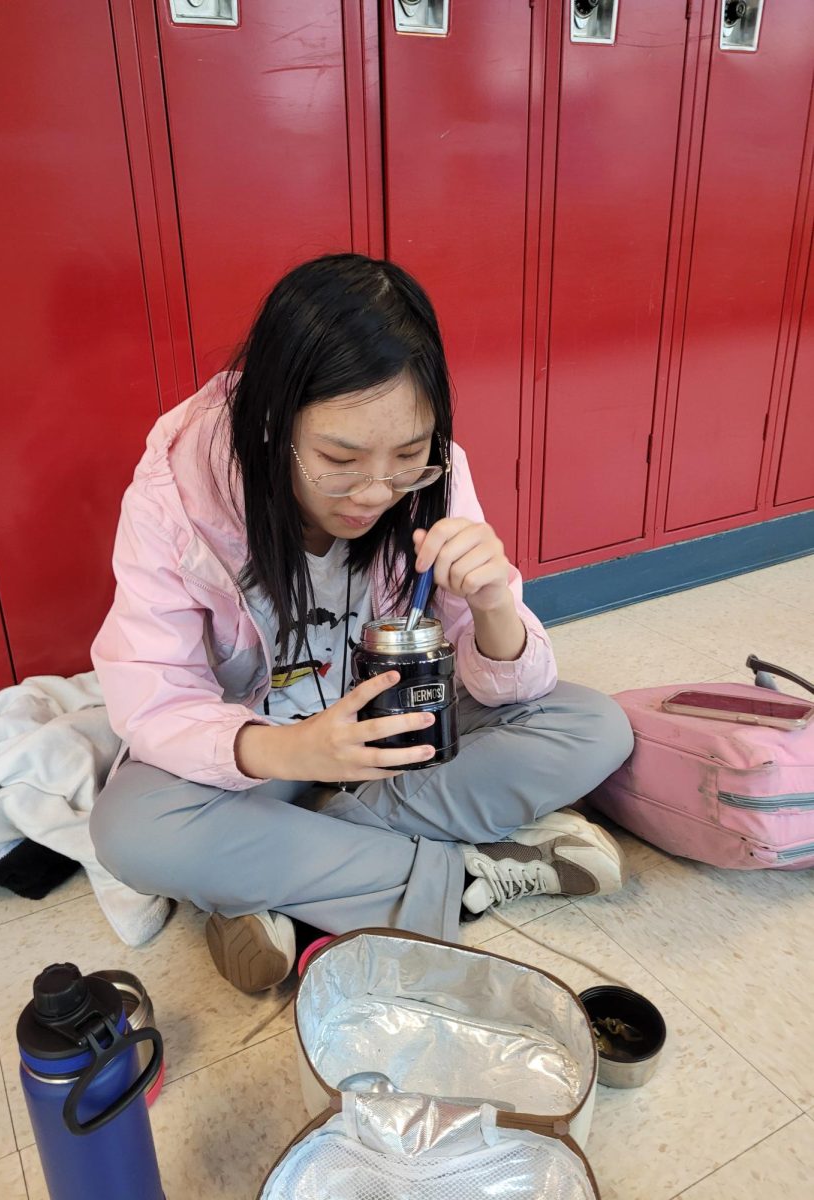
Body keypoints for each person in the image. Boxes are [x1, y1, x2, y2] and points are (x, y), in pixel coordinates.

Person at [90, 254, 634, 994]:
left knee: (592, 726)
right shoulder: (177, 496)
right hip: (266, 754)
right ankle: (465, 875)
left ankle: (270, 880)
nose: (376, 492)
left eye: (407, 457)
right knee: (130, 828)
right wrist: (292, 752)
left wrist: (493, 604)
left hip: (388, 732)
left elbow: (514, 685)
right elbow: (152, 696)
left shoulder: (431, 476)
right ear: (272, 423)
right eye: (338, 460)